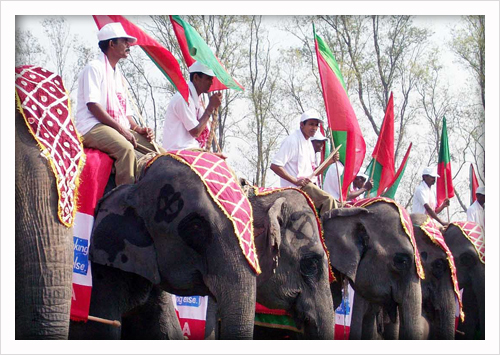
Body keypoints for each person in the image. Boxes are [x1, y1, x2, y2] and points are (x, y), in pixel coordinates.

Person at [75, 22, 160, 186]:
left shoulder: (118, 75)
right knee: (126, 150)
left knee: (159, 152)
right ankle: (124, 204)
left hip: (114, 127)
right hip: (92, 126)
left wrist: (137, 129)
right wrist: (122, 131)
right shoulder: (94, 68)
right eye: (124, 41)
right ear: (111, 43)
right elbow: (93, 105)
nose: (129, 45)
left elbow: (125, 112)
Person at [270, 109, 339, 215]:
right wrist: (295, 181)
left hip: (309, 185)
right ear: (302, 125)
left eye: (316, 125)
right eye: (311, 124)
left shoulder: (308, 143)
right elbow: (275, 165)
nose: (314, 128)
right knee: (328, 200)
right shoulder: (292, 140)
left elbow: (314, 172)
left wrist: (330, 161)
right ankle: (326, 231)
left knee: (339, 204)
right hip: (297, 188)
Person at [162, 61, 222, 151]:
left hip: (192, 149)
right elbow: (196, 132)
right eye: (208, 79)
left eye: (212, 79)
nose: (211, 83)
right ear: (196, 77)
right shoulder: (183, 98)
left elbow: (202, 129)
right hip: (178, 150)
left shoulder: (198, 99)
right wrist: (210, 108)